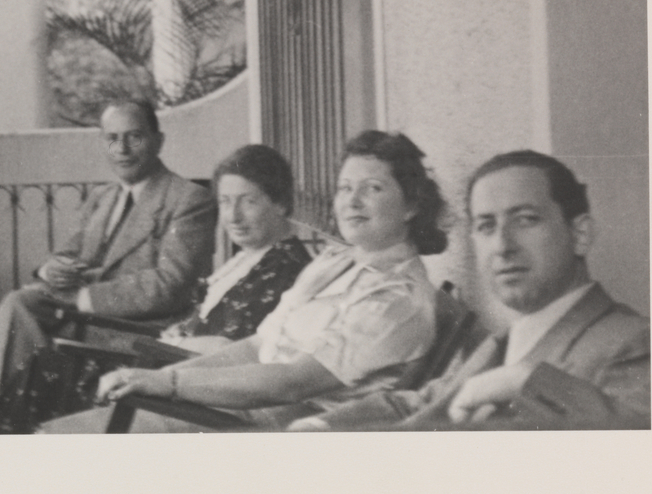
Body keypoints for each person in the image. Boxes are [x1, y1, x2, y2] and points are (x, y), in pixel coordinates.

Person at [43, 130, 447, 433]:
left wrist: (168, 382)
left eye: (372, 188)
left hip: (268, 429)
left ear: (411, 204)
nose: (351, 201)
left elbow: (293, 382)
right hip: (239, 404)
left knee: (64, 441)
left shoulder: (397, 298)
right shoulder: (338, 262)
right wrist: (160, 378)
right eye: (344, 188)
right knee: (63, 433)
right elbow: (257, 345)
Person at [289, 150, 650, 431]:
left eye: (526, 220)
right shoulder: (505, 341)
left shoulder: (634, 342)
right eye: (486, 226)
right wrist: (322, 426)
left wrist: (526, 382)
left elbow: (642, 445)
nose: (503, 245)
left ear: (580, 234)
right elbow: (421, 402)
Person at [0, 144, 311, 433]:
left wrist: (170, 345)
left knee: (50, 369)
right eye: (225, 202)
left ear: (281, 203)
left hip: (185, 378)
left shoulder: (284, 270)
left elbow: (238, 352)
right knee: (47, 364)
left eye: (248, 202)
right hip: (166, 360)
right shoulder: (250, 258)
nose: (233, 216)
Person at [0, 99, 217, 433]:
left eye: (134, 137)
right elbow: (67, 252)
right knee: (19, 306)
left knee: (18, 320)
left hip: (134, 331)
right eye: (112, 139)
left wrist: (83, 298)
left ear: (158, 141)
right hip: (83, 322)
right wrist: (51, 269)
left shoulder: (188, 199)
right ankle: (4, 429)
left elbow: (170, 285)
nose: (122, 149)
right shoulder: (103, 198)